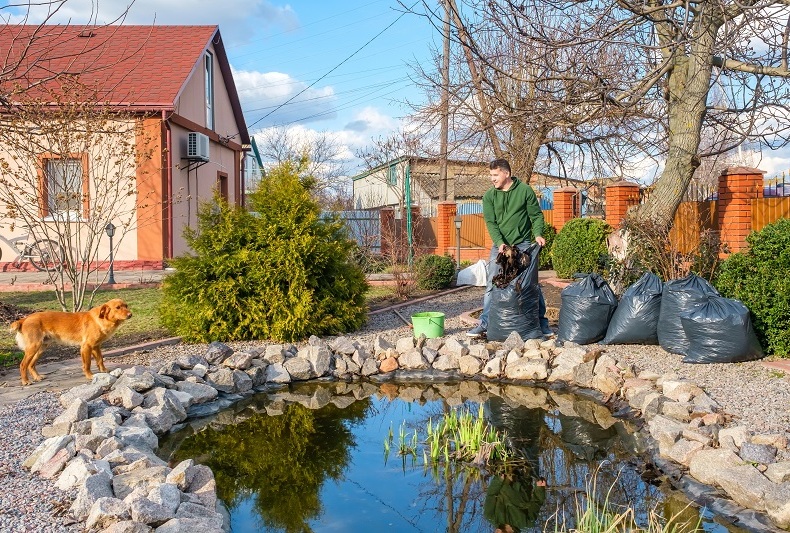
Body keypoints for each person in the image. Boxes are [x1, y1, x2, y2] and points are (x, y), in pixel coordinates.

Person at [468, 158, 551, 338]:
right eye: (491, 175)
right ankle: (485, 323)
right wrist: (499, 243)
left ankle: (542, 324)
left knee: (530, 285)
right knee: (493, 283)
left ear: (506, 173)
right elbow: (491, 222)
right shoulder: (489, 196)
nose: (492, 178)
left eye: (495, 175)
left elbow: (536, 216)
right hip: (499, 246)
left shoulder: (524, 191)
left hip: (521, 244)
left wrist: (537, 234)